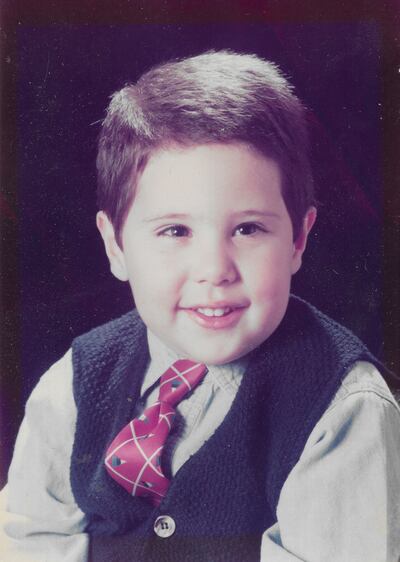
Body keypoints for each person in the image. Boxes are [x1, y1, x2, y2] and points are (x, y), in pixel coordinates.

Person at [1, 50, 399, 562]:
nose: (215, 269)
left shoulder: (343, 409)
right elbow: (29, 538)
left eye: (247, 229)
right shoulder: (75, 383)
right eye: (175, 231)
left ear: (299, 239)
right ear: (116, 246)